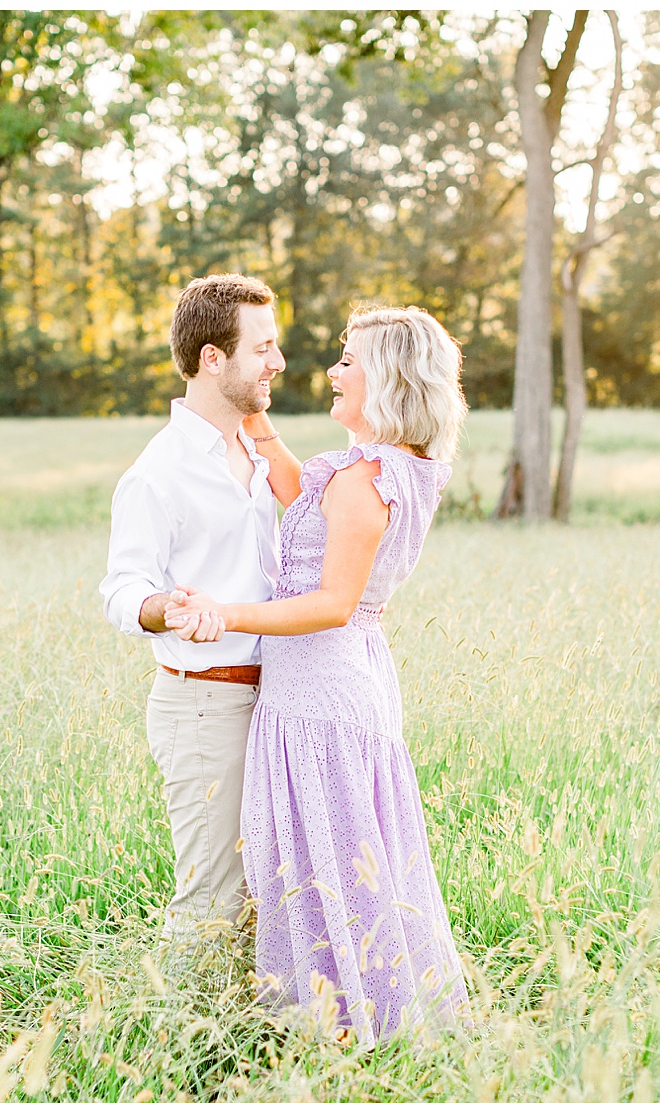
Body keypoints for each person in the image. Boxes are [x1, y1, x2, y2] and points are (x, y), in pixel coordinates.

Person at [165, 305, 470, 1044]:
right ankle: (347, 1022)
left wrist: (224, 612)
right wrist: (259, 424)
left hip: (319, 694)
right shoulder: (390, 467)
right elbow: (309, 499)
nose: (332, 372)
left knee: (320, 861)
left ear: (388, 380)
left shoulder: (367, 479)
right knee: (345, 854)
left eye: (348, 362)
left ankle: (339, 1028)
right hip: (344, 682)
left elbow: (332, 602)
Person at [99, 273, 286, 945]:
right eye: (262, 347)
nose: (277, 362)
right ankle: (179, 1039)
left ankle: (251, 1039)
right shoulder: (159, 471)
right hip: (205, 705)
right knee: (212, 897)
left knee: (265, 890)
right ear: (214, 358)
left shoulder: (258, 450)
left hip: (273, 703)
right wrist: (165, 608)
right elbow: (121, 588)